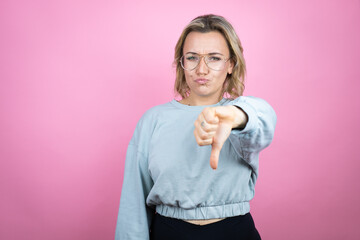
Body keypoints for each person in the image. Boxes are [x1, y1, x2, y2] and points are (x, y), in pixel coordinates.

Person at [115, 14, 277, 240]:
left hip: (234, 232)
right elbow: (133, 205)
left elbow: (264, 117)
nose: (201, 69)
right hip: (169, 232)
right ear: (181, 63)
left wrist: (233, 116)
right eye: (192, 57)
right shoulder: (153, 120)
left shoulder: (242, 114)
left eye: (214, 58)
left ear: (230, 64)